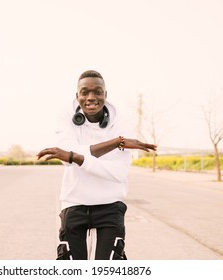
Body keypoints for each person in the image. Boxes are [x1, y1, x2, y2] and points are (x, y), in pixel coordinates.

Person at [37, 70, 157, 260]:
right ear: (77, 96)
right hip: (74, 203)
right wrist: (116, 143)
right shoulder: (65, 116)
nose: (91, 97)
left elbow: (117, 173)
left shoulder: (121, 121)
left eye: (97, 92)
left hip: (110, 205)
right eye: (84, 92)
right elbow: (64, 159)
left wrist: (75, 156)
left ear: (105, 95)